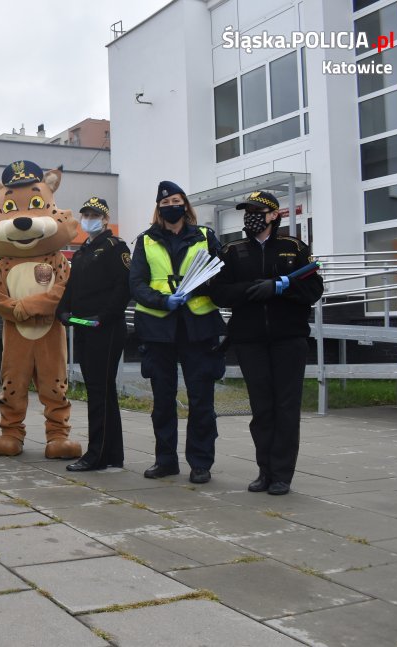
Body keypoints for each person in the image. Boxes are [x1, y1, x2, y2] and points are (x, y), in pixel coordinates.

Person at [210, 191, 324, 496]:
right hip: (250, 340)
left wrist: (280, 288)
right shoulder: (232, 251)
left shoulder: (294, 248)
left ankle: (282, 474)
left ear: (275, 215)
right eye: (247, 211)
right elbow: (218, 292)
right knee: (261, 408)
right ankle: (265, 471)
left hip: (289, 339)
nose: (251, 216)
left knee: (286, 407)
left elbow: (314, 290)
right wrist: (250, 289)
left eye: (258, 211)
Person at [130, 181, 225, 484]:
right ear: (159, 208)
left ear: (185, 205)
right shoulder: (145, 240)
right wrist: (163, 300)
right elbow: (136, 284)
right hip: (159, 329)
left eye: (176, 200)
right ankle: (166, 460)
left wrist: (201, 286)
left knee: (201, 400)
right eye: (165, 202)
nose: (171, 206)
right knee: (163, 400)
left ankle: (200, 463)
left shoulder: (205, 236)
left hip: (198, 327)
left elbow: (222, 273)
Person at [57, 198, 131, 472]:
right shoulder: (82, 251)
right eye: (86, 214)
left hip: (105, 330)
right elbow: (72, 286)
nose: (89, 219)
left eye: (94, 215)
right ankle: (113, 454)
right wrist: (62, 310)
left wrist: (103, 317)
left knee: (100, 391)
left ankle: (97, 455)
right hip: (83, 327)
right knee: (100, 391)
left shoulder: (115, 247)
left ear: (106, 219)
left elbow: (123, 288)